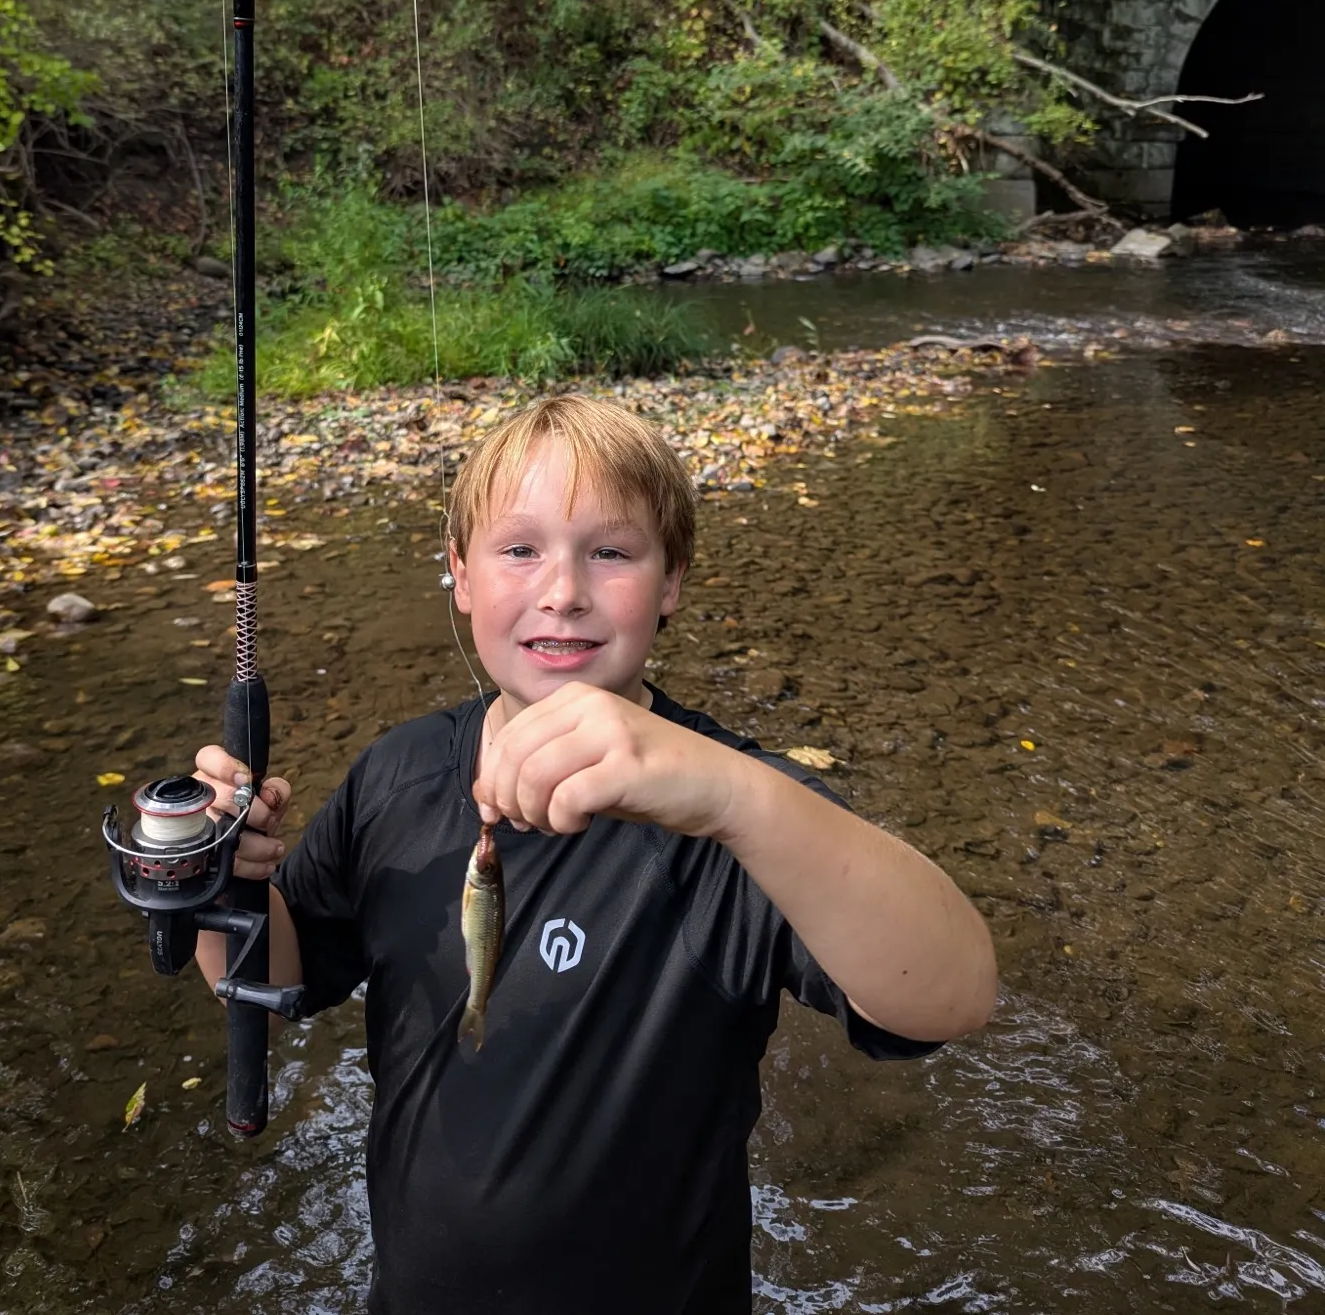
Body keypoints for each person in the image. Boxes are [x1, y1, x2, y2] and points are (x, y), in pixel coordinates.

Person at [193, 394, 997, 1315]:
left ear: (672, 581)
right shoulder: (397, 775)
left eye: (611, 552)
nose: (563, 590)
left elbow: (957, 995)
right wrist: (220, 878)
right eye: (519, 549)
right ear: (459, 574)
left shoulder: (733, 814)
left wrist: (736, 796)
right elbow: (272, 976)